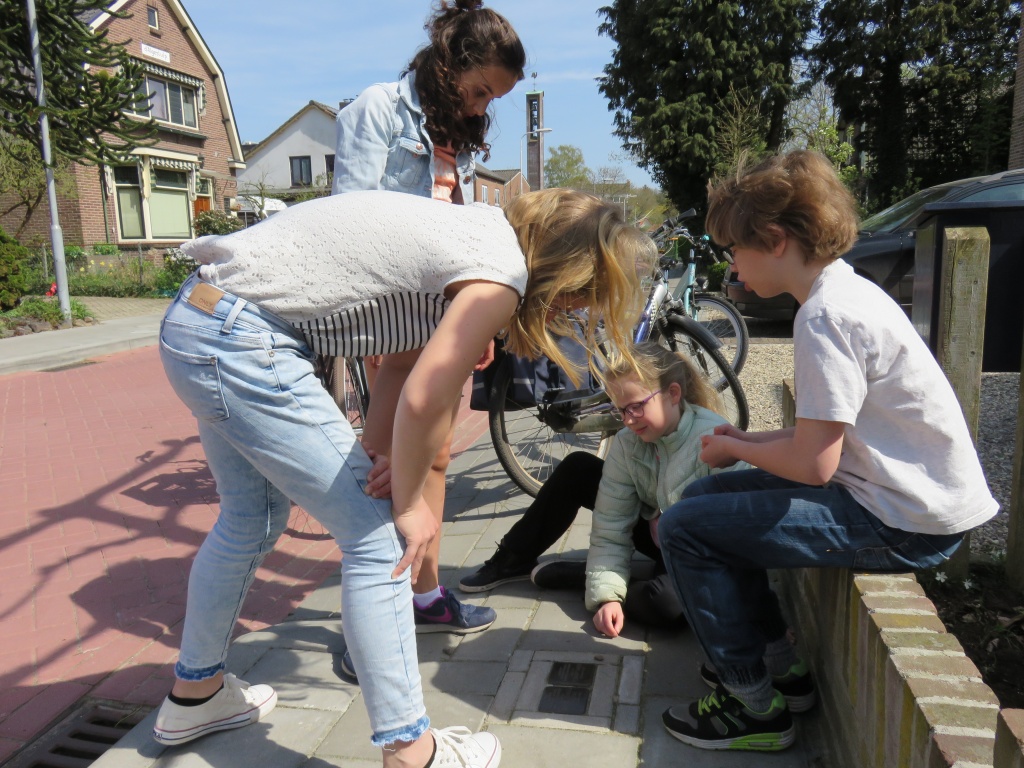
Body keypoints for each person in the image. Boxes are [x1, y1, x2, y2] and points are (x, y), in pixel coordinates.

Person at [150, 187, 654, 768]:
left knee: (251, 519)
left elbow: (402, 364)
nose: (575, 310)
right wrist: (411, 504)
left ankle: (196, 695)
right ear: (567, 272)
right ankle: (412, 751)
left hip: (199, 321)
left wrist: (375, 453)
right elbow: (424, 395)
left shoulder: (472, 237)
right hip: (244, 340)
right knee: (384, 538)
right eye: (583, 295)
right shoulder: (499, 275)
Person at [656, 150, 999, 753]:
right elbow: (820, 441)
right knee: (707, 497)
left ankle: (750, 704)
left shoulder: (825, 317)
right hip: (892, 498)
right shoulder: (843, 291)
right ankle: (780, 667)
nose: (731, 266)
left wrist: (744, 450)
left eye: (734, 250)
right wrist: (743, 443)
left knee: (684, 529)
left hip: (905, 522)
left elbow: (815, 466)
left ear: (775, 240)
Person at [331, 0, 525, 637]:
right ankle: (369, 623)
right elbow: (351, 220)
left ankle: (425, 597)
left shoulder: (455, 129)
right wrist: (368, 328)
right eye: (481, 89)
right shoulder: (377, 110)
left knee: (435, 457)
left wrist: (475, 322)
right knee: (382, 469)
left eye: (492, 98)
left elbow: (458, 231)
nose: (481, 107)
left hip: (438, 315)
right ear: (452, 62)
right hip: (391, 316)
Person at [459, 342, 749, 636]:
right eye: (620, 410)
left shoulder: (712, 439)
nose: (628, 420)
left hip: (697, 550)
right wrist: (607, 599)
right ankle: (513, 559)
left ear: (673, 394)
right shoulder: (627, 441)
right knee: (578, 467)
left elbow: (740, 532)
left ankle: (583, 577)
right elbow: (612, 522)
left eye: (636, 406)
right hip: (658, 530)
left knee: (670, 607)